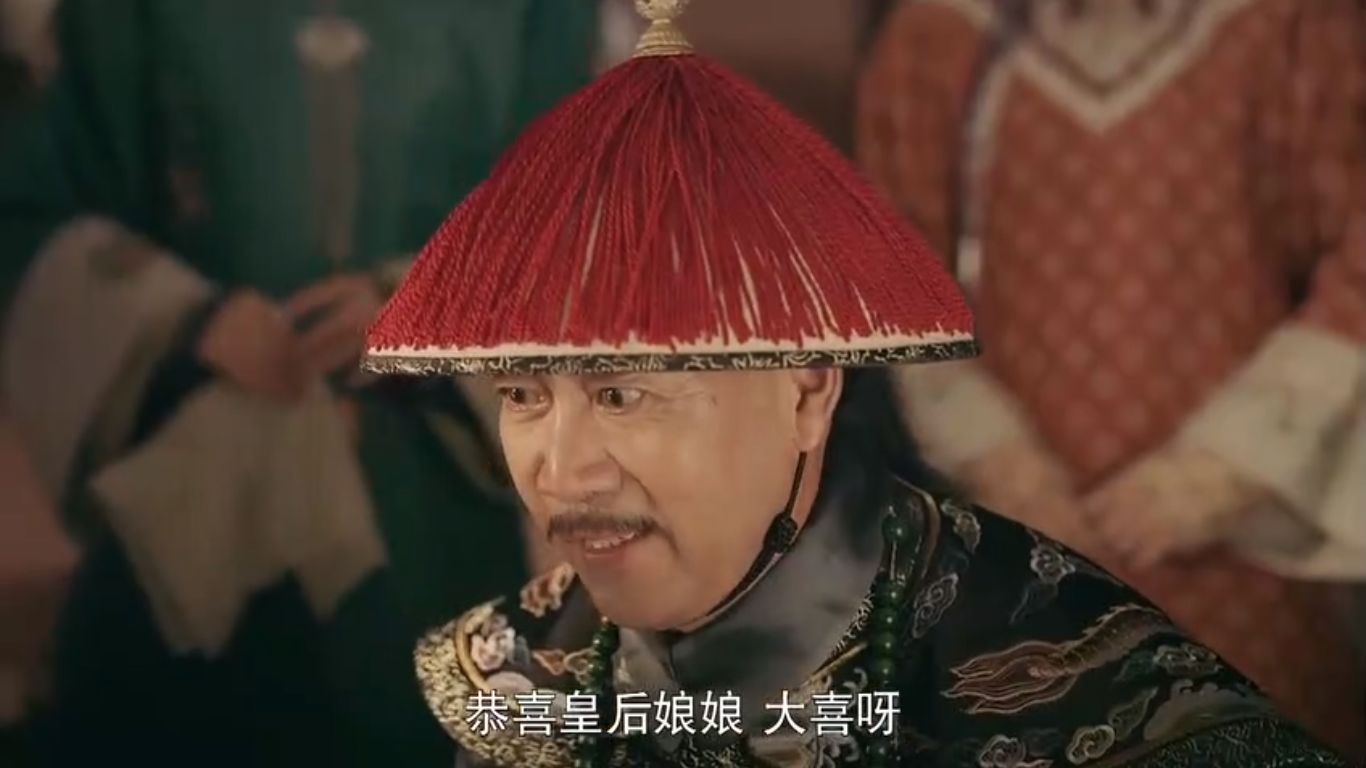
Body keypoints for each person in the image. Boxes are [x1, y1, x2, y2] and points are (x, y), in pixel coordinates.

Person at [361, 3, 1350, 765]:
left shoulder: (1032, 654)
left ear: (806, 393)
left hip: (1222, 541)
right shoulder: (517, 670)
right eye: (522, 397)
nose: (559, 470)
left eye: (620, 395)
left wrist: (1222, 468)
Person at [0, 1, 598, 765]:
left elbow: (598, 215)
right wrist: (180, 319)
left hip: (435, 497)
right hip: (199, 481)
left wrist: (429, 300)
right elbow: (31, 212)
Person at [855, 0, 1366, 754]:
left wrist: (1223, 468)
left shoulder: (1291, 26)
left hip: (1246, 543)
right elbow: (887, 276)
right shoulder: (938, 36)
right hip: (1011, 555)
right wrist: (998, 462)